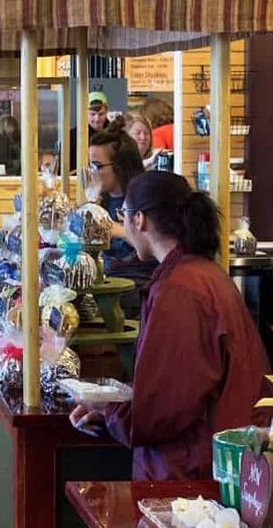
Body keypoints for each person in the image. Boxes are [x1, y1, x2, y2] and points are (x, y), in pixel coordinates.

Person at [70, 172, 269, 480]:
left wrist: (111, 410)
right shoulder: (200, 274)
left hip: (192, 474)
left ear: (140, 220)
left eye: (123, 214)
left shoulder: (180, 290)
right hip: (218, 458)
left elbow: (163, 408)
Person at [89, 122, 156, 294]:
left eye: (97, 166)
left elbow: (160, 250)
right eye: (90, 166)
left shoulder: (147, 200)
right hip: (105, 286)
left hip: (139, 290)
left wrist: (118, 230)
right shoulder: (99, 202)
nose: (92, 173)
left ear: (119, 166)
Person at [68, 91, 110, 167]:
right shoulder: (73, 136)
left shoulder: (115, 134)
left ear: (106, 112)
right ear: (85, 113)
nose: (97, 119)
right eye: (92, 114)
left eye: (101, 114)